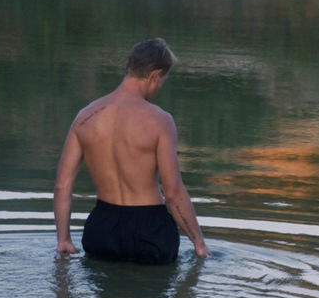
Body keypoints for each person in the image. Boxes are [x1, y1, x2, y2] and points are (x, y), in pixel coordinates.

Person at [53, 38, 210, 262]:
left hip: (101, 229)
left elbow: (62, 186)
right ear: (155, 75)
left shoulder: (85, 117)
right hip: (150, 230)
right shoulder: (160, 121)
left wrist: (63, 239)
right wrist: (199, 244)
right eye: (162, 81)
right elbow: (173, 193)